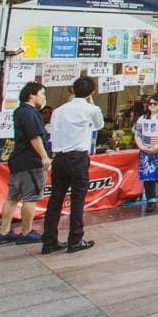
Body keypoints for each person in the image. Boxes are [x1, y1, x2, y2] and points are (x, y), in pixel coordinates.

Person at [41, 76, 104, 255]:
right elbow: (98, 126)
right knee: (78, 198)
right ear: (92, 92)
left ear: (73, 90)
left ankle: (49, 240)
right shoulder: (91, 109)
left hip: (59, 157)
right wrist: (91, 101)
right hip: (78, 158)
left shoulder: (59, 111)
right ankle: (75, 239)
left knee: (55, 198)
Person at [0, 81, 51, 245]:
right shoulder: (29, 113)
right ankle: (26, 231)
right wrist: (44, 157)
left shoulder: (20, 111)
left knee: (12, 197)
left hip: (18, 160)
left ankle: (4, 231)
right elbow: (34, 137)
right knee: (31, 198)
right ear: (31, 95)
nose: (44, 98)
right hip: (30, 161)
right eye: (42, 94)